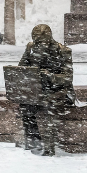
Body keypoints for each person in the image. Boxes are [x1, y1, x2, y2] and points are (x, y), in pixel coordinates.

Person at [18, 24, 74, 155]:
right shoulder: (31, 48)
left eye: (42, 42)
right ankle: (33, 143)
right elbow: (20, 69)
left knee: (49, 105)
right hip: (38, 90)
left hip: (58, 91)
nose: (40, 45)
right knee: (25, 105)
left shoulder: (63, 51)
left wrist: (51, 76)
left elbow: (68, 78)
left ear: (49, 39)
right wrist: (30, 73)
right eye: (37, 42)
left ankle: (49, 149)